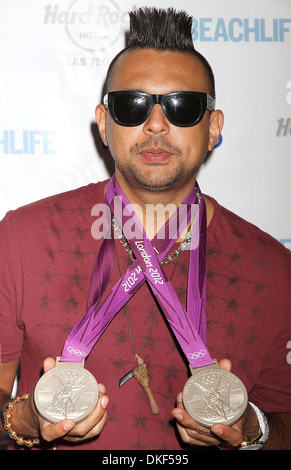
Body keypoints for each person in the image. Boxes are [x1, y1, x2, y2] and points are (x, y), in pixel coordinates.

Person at [0, 7, 290, 451]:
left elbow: (283, 418)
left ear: (213, 129)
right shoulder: (21, 238)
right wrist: (24, 419)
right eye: (132, 105)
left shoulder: (273, 267)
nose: (156, 123)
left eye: (183, 106)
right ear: (103, 122)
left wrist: (252, 431)